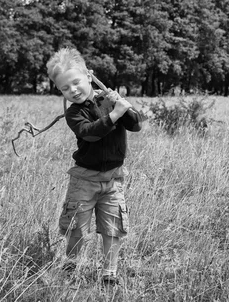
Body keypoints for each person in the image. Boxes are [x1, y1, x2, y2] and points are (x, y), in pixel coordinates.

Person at [46, 47, 142, 286]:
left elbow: (136, 124)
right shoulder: (74, 113)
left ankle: (109, 273)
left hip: (113, 180)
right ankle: (71, 267)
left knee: (113, 227)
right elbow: (89, 134)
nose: (73, 91)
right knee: (76, 226)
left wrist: (122, 107)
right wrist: (112, 116)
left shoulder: (109, 99)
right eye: (65, 88)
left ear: (88, 76)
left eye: (76, 83)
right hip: (84, 179)